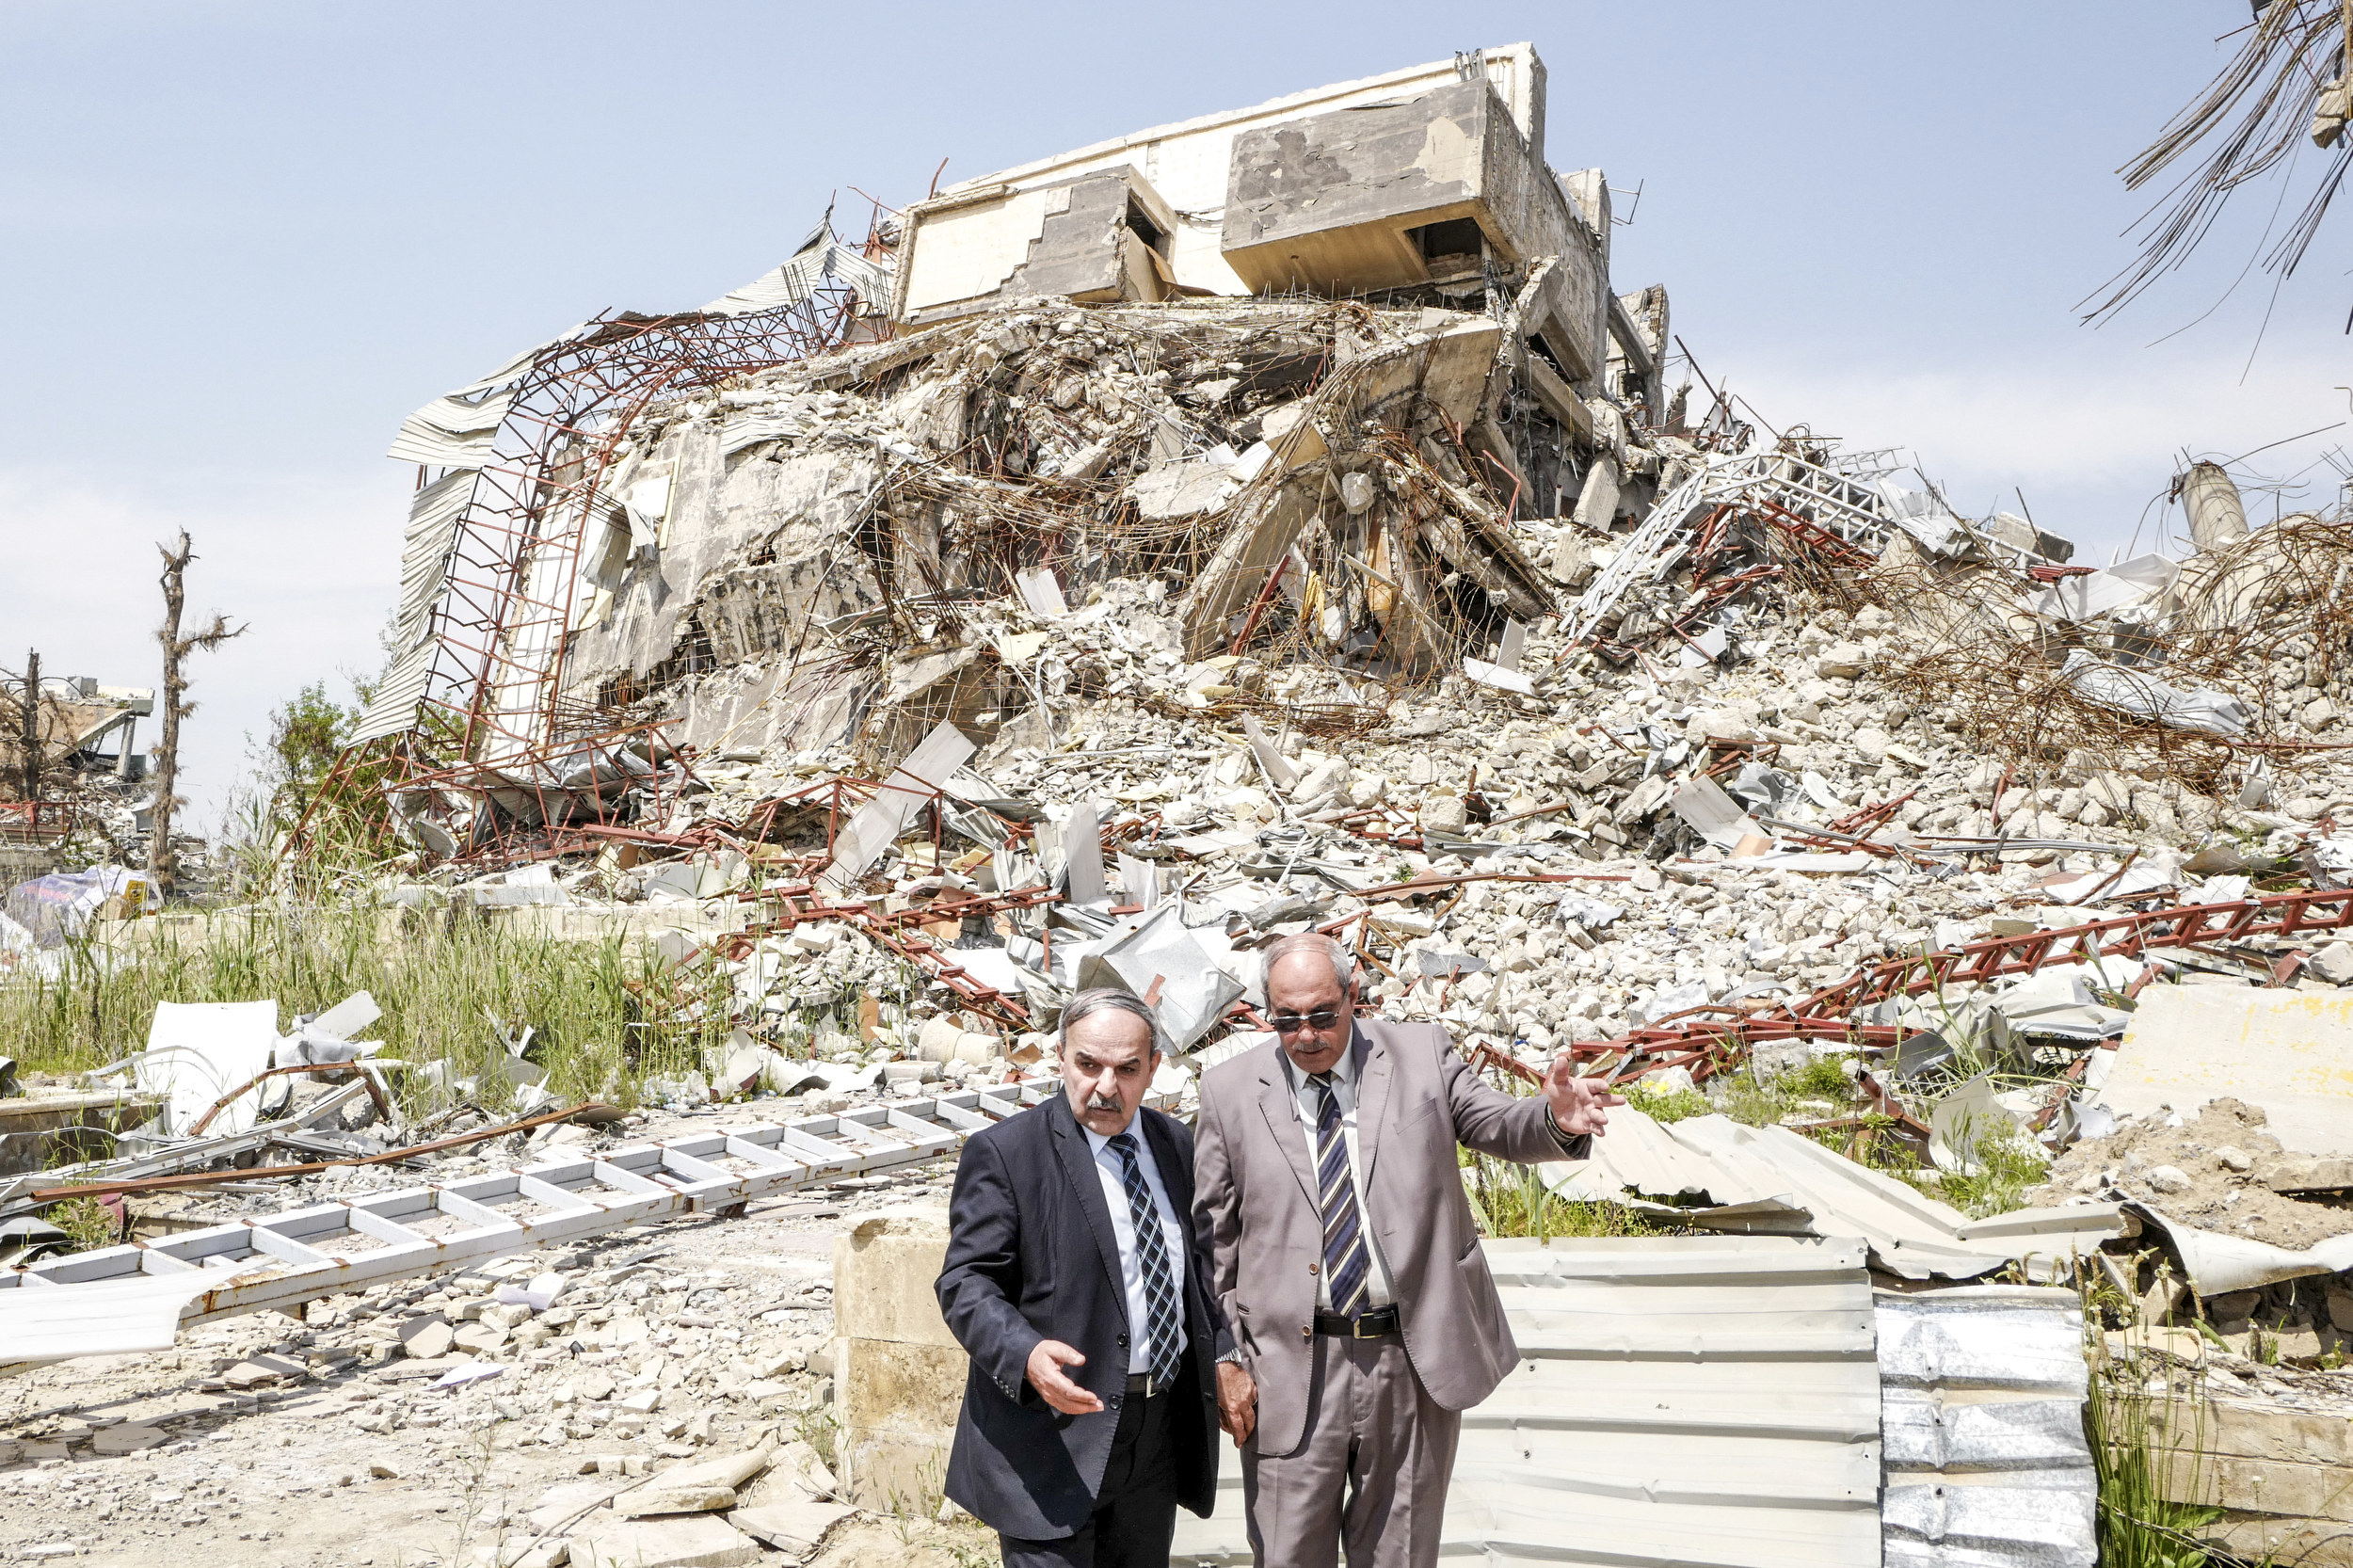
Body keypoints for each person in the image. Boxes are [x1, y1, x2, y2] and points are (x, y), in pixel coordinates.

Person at [1193, 933, 1623, 1568]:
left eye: (1322, 1015)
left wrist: (1554, 1121)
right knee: (1286, 1554)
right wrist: (1226, 1356)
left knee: (1400, 1554)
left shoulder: (1421, 1053)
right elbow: (1213, 1243)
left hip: (1411, 1358)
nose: (1306, 1034)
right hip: (1289, 1367)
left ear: (1353, 996)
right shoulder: (1229, 1091)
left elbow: (1495, 1122)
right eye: (1287, 1020)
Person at [936, 988, 1231, 1567]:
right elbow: (966, 1281)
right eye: (1088, 1065)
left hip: (1156, 1437)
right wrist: (1024, 1354)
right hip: (1052, 1438)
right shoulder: (1006, 1153)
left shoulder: (1176, 1146)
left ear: (1153, 1068)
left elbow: (1200, 1269)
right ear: (1060, 1059)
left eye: (1126, 1069)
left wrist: (1225, 1354)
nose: (1105, 1087)